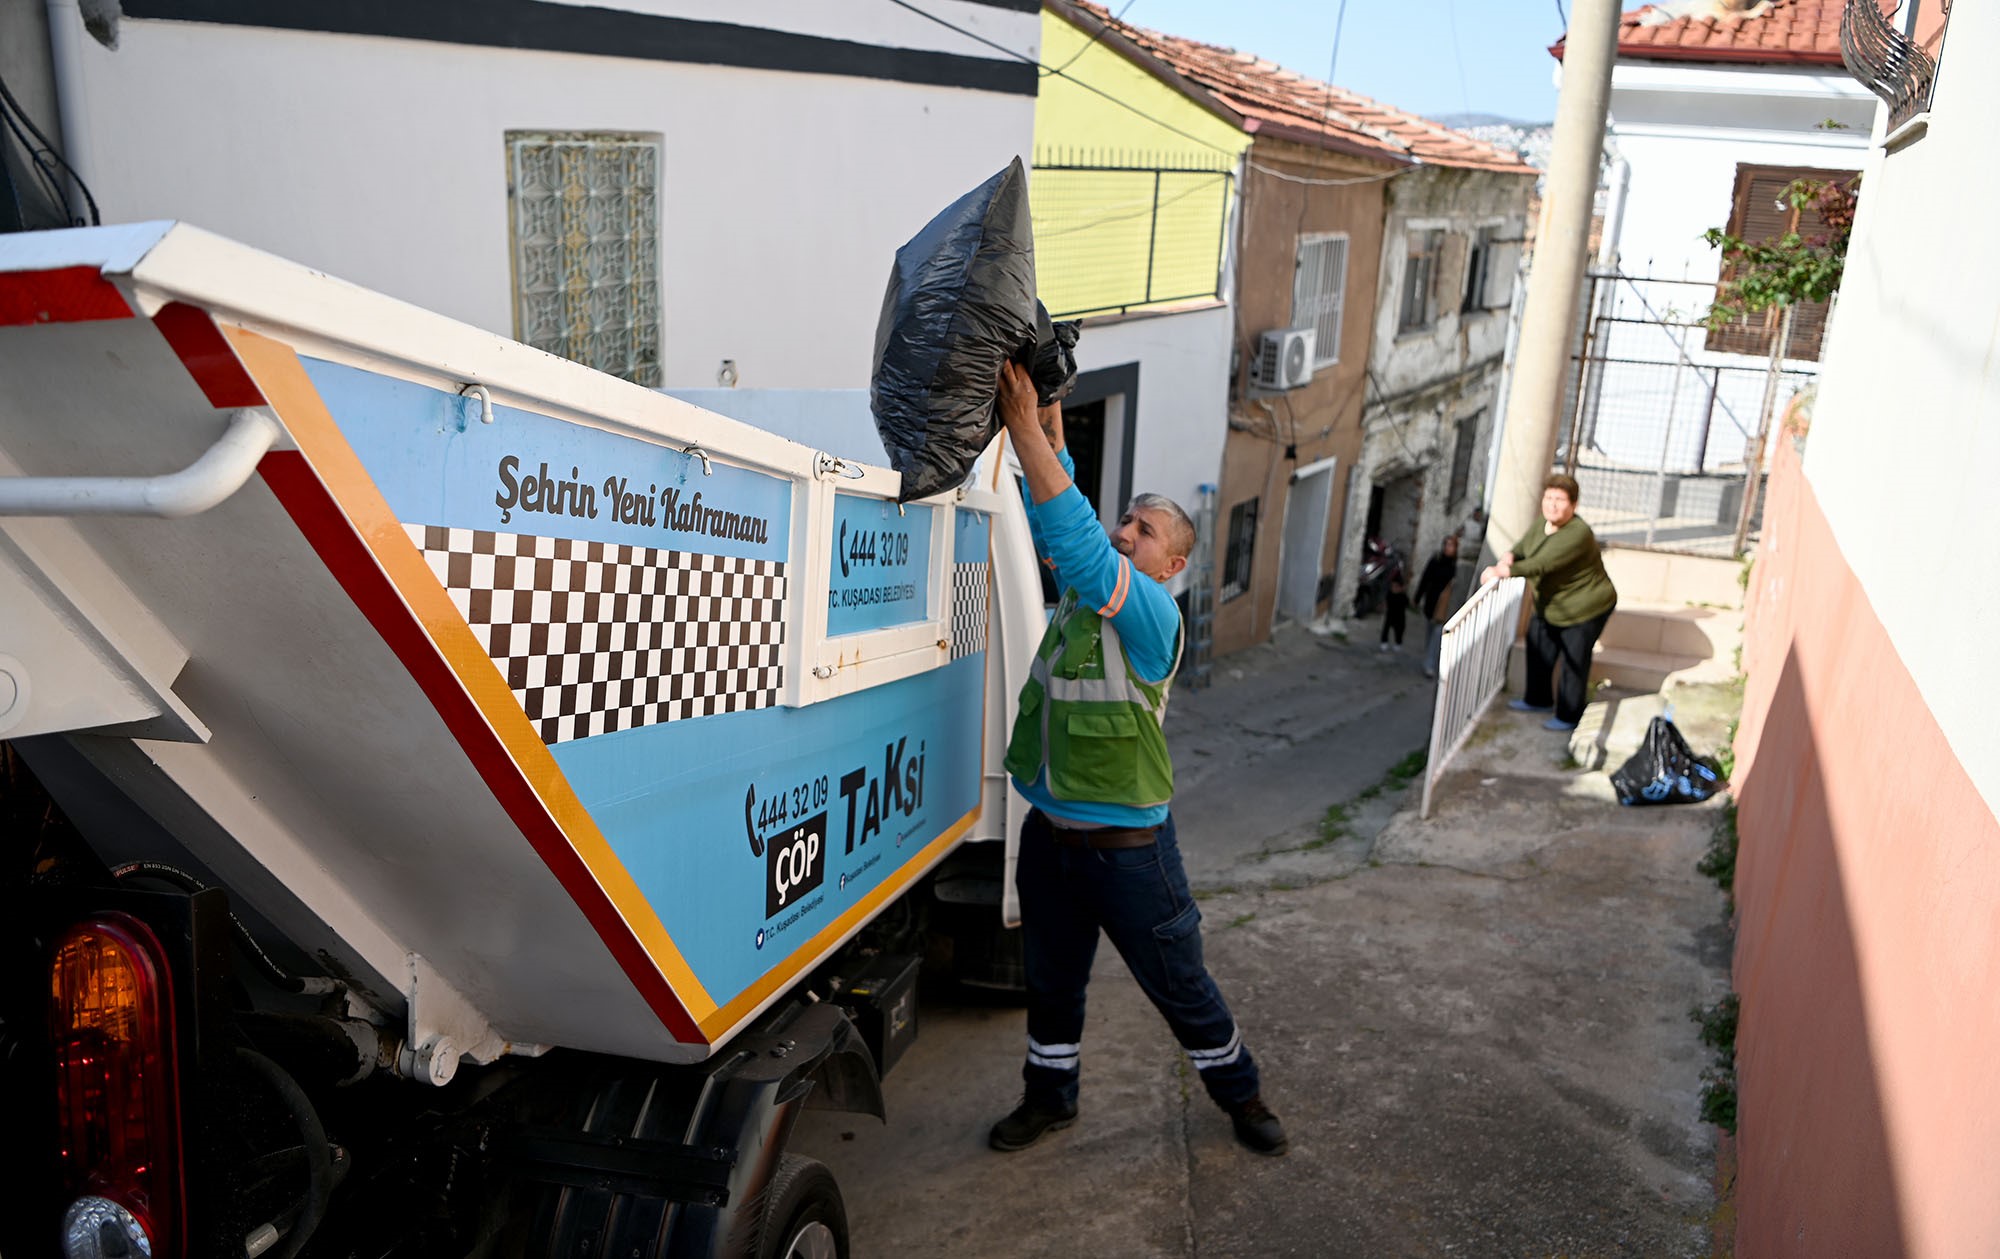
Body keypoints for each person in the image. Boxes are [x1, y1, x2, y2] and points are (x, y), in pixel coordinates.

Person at [987, 360, 1286, 1158]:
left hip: (1131, 856)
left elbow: (1080, 545)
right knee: (1051, 985)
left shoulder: (1152, 613)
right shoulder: (1086, 599)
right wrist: (1048, 429)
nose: (1127, 532)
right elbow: (1059, 527)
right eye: (1126, 520)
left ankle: (1243, 1092)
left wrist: (1025, 428)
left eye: (1144, 531)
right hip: (1050, 842)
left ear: (1170, 565)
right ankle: (1049, 1096)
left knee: (1181, 988)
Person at [1480, 474, 1617, 732]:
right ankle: (1538, 700)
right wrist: (1510, 555)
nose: (1552, 505)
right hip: (1550, 606)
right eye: (1549, 497)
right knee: (1538, 646)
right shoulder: (1543, 522)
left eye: (1560, 500)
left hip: (1586, 607)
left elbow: (1541, 564)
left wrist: (1501, 572)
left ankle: (1568, 716)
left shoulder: (1578, 533)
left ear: (1574, 505)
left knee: (1573, 661)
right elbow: (1524, 547)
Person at [1414, 533, 1461, 680]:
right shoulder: (1436, 560)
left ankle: (1429, 664)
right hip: (1431, 602)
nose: (1448, 548)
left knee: (1437, 634)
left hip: (1444, 606)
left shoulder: (1456, 567)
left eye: (1451, 545)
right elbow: (1425, 578)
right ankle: (1429, 658)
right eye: (1446, 544)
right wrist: (1417, 597)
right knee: (1430, 632)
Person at [1379, 556, 1408, 652]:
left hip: (1400, 616)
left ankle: (1398, 643)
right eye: (1393, 587)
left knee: (1399, 630)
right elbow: (1385, 601)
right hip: (1390, 614)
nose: (1395, 589)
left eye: (1397, 587)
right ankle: (1384, 642)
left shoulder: (1402, 596)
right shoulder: (1390, 594)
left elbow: (1406, 603)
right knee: (1386, 628)